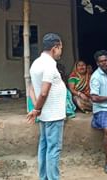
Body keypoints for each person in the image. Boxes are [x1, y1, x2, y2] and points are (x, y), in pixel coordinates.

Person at [27, 33, 66, 180]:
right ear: (55, 47)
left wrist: (36, 109)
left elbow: (31, 87)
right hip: (53, 116)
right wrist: (36, 109)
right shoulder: (49, 65)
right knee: (53, 149)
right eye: (61, 48)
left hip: (45, 115)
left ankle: (44, 177)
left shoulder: (36, 63)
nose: (61, 51)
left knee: (44, 147)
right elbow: (44, 92)